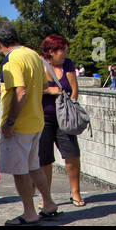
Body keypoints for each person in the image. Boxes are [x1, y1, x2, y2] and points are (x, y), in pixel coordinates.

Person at [0, 21, 61, 225]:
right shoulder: (32, 55)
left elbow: (20, 92)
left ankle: (29, 213)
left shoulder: (11, 60)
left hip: (20, 124)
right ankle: (48, 203)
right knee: (33, 166)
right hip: (36, 120)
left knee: (20, 170)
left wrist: (10, 121)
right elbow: (41, 87)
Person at [39, 34, 84, 208]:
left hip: (64, 117)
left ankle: (75, 192)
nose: (65, 54)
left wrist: (70, 106)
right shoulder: (39, 65)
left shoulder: (68, 64)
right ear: (51, 51)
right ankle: (46, 197)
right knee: (45, 159)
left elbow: (74, 89)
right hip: (43, 117)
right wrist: (49, 90)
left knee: (72, 154)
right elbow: (31, 88)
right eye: (62, 51)